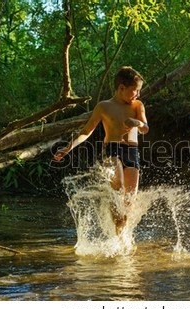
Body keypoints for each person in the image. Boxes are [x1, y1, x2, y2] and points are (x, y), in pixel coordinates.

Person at [53, 66, 149, 235]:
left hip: (132, 153)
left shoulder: (137, 105)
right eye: (135, 91)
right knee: (118, 186)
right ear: (121, 88)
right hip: (112, 149)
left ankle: (120, 239)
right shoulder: (104, 106)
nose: (138, 94)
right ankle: (115, 221)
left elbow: (145, 128)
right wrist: (68, 148)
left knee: (128, 201)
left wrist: (137, 123)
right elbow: (86, 132)